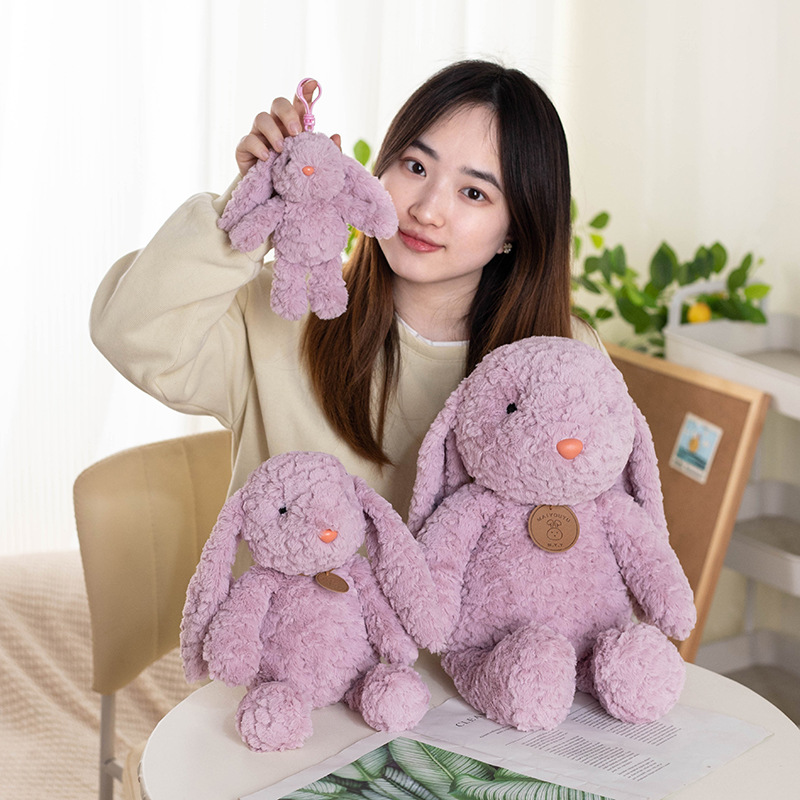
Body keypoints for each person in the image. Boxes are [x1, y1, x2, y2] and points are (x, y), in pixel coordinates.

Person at [91, 59, 603, 518]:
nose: (426, 210)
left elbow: (596, 552)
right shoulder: (282, 309)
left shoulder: (567, 357)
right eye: (415, 167)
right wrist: (253, 205)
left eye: (473, 192)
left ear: (517, 227)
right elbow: (130, 333)